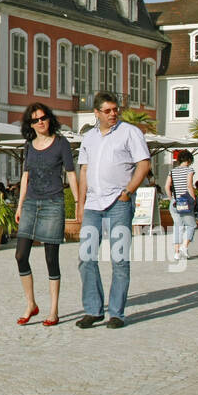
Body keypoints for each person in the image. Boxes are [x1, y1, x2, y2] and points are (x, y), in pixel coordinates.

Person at [76, 92, 151, 330]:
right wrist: (80, 203)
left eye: (115, 110)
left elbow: (144, 163)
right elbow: (84, 170)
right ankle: (93, 310)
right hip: (93, 205)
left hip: (119, 202)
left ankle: (117, 313)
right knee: (86, 258)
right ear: (96, 113)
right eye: (107, 111)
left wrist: (128, 191)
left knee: (119, 259)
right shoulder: (88, 137)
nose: (113, 114)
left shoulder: (130, 132)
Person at [14, 103, 78, 327]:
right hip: (31, 203)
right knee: (20, 255)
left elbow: (70, 174)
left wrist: (78, 202)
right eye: (35, 120)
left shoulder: (61, 144)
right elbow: (25, 177)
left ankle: (53, 310)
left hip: (53, 202)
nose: (40, 122)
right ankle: (31, 303)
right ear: (30, 125)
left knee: (51, 258)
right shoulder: (29, 145)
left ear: (49, 118)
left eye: (43, 118)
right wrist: (20, 206)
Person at [167, 151, 198, 260]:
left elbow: (167, 186)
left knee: (177, 226)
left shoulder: (172, 171)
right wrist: (193, 199)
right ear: (189, 160)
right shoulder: (189, 170)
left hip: (175, 202)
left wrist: (172, 199)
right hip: (185, 201)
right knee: (191, 225)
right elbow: (189, 185)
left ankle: (176, 253)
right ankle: (184, 247)